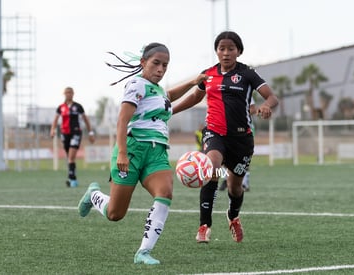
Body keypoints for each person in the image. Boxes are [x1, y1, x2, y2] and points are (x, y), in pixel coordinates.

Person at [77, 43, 206, 265]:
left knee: (165, 192)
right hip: (132, 150)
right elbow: (122, 120)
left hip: (157, 154)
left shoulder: (157, 91)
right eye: (156, 63)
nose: (161, 69)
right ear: (143, 63)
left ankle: (143, 252)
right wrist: (122, 154)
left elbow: (171, 95)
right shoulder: (137, 84)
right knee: (115, 214)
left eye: (165, 65)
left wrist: (195, 83)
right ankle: (94, 195)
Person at [172, 31, 278, 243]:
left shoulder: (247, 73)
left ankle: (233, 215)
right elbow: (194, 97)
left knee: (234, 186)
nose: (226, 53)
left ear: (238, 51)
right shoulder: (208, 74)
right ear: (216, 51)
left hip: (241, 140)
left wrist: (266, 106)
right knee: (211, 169)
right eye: (222, 49)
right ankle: (204, 226)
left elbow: (272, 96)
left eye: (231, 49)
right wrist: (170, 111)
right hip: (214, 133)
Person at [50, 87, 95, 187]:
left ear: (73, 94)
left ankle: (72, 180)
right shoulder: (61, 107)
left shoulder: (78, 107)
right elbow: (55, 119)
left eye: (70, 92)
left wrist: (90, 133)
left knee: (71, 157)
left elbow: (86, 119)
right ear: (64, 94)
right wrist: (52, 130)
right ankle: (72, 177)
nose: (68, 94)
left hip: (76, 133)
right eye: (66, 92)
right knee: (70, 157)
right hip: (64, 134)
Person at [219, 98, 257, 192]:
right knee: (224, 156)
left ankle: (245, 182)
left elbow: (253, 109)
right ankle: (225, 179)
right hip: (227, 128)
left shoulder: (244, 90)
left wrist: (238, 115)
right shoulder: (221, 91)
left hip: (244, 129)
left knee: (243, 157)